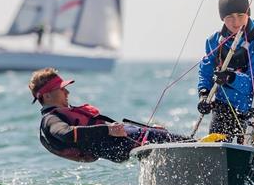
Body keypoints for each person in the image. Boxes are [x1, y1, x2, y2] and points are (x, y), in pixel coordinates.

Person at [29, 67, 189, 163]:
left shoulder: (63, 112)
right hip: (118, 144)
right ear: (47, 96)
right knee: (188, 143)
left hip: (127, 140)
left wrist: (149, 128)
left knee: (169, 138)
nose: (67, 91)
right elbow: (66, 134)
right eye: (61, 89)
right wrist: (109, 131)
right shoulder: (50, 120)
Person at [197, 0, 254, 141]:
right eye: (229, 17)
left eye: (240, 15)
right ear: (222, 18)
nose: (236, 22)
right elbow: (206, 72)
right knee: (215, 150)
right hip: (223, 108)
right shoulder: (214, 41)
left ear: (248, 13)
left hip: (251, 110)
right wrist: (203, 94)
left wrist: (230, 77)